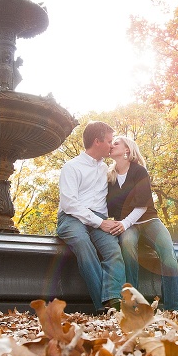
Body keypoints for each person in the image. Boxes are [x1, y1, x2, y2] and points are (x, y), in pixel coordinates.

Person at [106, 136, 178, 310]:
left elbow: (142, 204)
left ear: (127, 150)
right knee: (127, 244)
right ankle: (133, 305)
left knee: (168, 252)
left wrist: (124, 223)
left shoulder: (139, 171)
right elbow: (108, 208)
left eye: (116, 143)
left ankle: (173, 308)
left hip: (148, 219)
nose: (111, 145)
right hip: (127, 225)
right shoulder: (109, 176)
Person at [57, 121, 125, 312]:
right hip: (71, 217)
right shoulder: (72, 167)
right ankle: (103, 307)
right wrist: (100, 222)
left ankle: (114, 302)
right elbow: (69, 203)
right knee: (82, 243)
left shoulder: (107, 169)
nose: (112, 145)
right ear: (97, 141)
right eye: (109, 141)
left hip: (99, 220)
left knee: (114, 251)